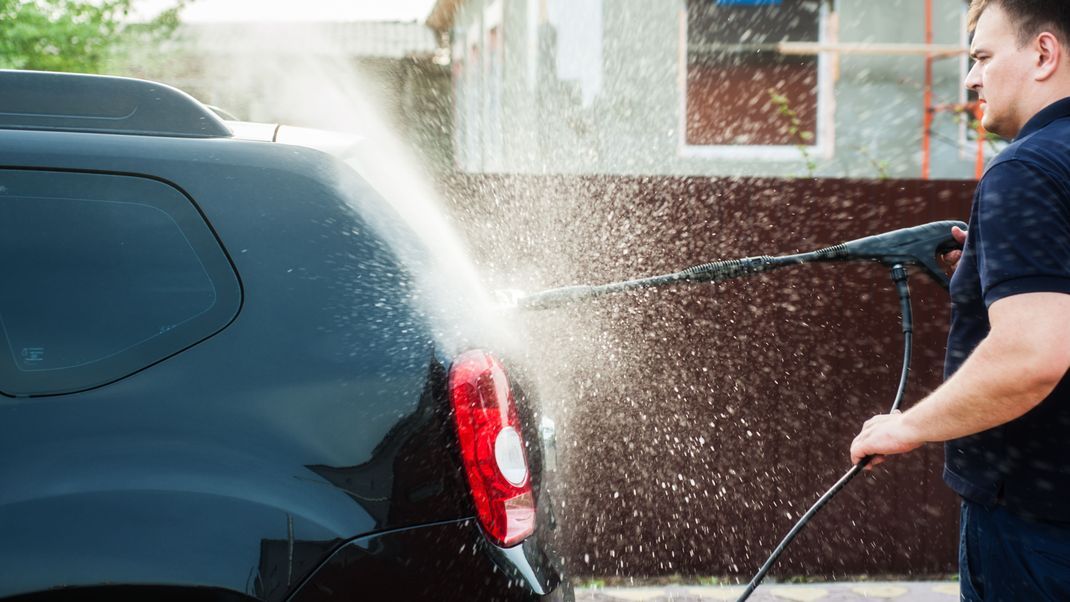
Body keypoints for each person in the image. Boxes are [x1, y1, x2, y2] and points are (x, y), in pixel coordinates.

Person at [848, 0, 1070, 599]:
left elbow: (1033, 356)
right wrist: (1002, 261)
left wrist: (908, 428)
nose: (971, 79)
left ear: (1044, 53)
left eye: (982, 57)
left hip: (1039, 532)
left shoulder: (1027, 171)